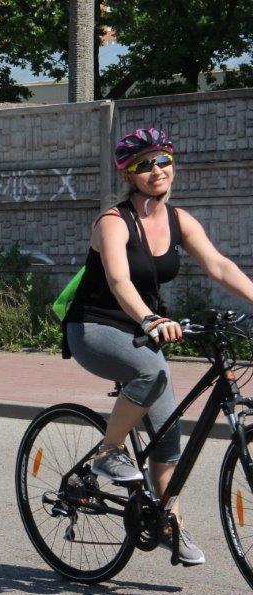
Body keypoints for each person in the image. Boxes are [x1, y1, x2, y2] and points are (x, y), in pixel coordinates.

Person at [63, 128, 253, 566]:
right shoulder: (113, 221)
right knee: (150, 373)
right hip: (95, 326)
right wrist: (149, 318)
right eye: (144, 165)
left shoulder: (178, 220)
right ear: (128, 175)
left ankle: (168, 524)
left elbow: (219, 265)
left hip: (146, 331)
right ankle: (108, 452)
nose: (156, 170)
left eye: (163, 160)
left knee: (168, 437)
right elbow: (118, 280)